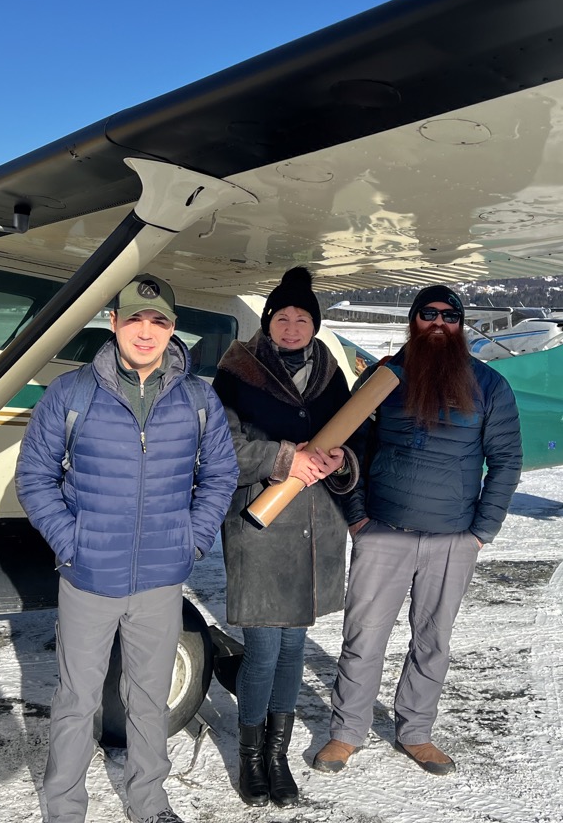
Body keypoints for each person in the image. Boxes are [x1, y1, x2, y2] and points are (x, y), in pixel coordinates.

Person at [15, 273, 239, 823]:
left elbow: (220, 476)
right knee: (76, 701)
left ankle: (149, 801)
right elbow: (34, 477)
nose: (145, 331)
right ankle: (65, 808)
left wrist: (192, 539)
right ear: (112, 323)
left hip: (162, 580)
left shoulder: (197, 399)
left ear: (172, 329)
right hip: (89, 577)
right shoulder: (71, 394)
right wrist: (73, 542)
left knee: (149, 698)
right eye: (133, 319)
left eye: (158, 321)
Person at [312, 285, 522, 777]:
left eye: (450, 316)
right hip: (383, 530)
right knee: (363, 636)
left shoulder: (490, 386)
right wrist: (357, 517)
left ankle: (416, 732)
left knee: (432, 641)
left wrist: (481, 532)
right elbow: (351, 451)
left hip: (453, 538)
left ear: (461, 325)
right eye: (428, 314)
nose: (438, 323)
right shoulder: (386, 380)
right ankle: (346, 732)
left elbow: (507, 461)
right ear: (413, 320)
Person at [211, 266, 359, 807]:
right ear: (268, 322)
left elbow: (354, 438)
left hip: (317, 525)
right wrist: (282, 457)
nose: (292, 326)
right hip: (259, 518)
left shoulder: (330, 373)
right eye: (282, 317)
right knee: (265, 646)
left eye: (302, 318)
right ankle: (252, 759)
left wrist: (343, 459)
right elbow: (219, 447)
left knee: (293, 644)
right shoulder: (237, 369)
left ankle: (277, 756)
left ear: (315, 325)